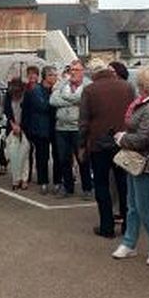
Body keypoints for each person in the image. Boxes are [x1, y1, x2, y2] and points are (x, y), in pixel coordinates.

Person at [111, 64, 149, 266]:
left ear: (147, 83)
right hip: (137, 160)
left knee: (144, 207)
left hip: (148, 161)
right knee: (132, 206)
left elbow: (143, 137)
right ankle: (129, 243)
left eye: (141, 83)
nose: (138, 86)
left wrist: (122, 139)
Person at [79, 58, 134, 238]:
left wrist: (81, 145)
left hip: (98, 144)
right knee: (124, 184)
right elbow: (134, 114)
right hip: (123, 141)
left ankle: (107, 226)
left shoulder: (89, 90)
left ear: (93, 73)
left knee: (102, 185)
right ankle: (128, 225)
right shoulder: (127, 87)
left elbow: (84, 122)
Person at [50, 60, 93, 198]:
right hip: (61, 128)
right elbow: (53, 100)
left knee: (83, 159)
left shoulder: (88, 85)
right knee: (63, 159)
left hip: (78, 128)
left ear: (82, 72)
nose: (73, 72)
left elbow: (83, 99)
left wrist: (66, 98)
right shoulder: (63, 84)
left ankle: (87, 188)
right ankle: (68, 187)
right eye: (71, 70)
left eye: (76, 70)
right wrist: (73, 100)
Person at [22, 65, 60, 194]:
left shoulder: (57, 89)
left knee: (58, 156)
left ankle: (57, 181)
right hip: (41, 128)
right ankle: (43, 181)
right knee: (42, 156)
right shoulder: (36, 91)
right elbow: (44, 106)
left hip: (56, 127)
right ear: (45, 77)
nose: (55, 78)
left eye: (55, 75)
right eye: (52, 75)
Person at [4, 78, 30, 190]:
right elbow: (7, 111)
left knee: (25, 155)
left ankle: (24, 179)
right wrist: (13, 124)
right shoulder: (8, 96)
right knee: (13, 154)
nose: (15, 95)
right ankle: (16, 179)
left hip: (25, 128)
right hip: (12, 127)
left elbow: (29, 113)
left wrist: (21, 127)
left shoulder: (27, 97)